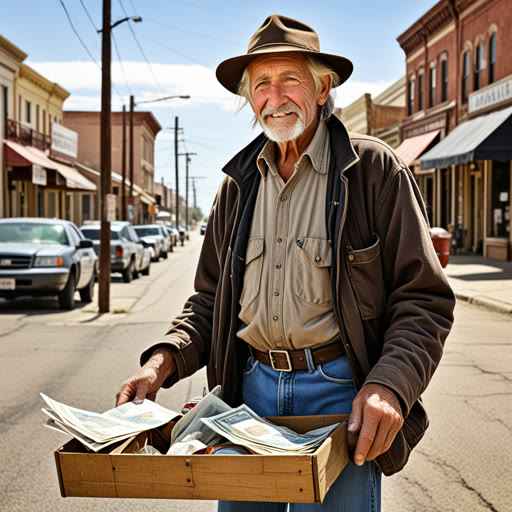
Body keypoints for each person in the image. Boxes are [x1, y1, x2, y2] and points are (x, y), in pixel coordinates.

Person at [116, 15, 455, 512]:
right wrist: (161, 361)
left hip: (342, 397)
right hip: (248, 394)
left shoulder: (373, 171)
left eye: (290, 79)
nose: (275, 97)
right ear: (250, 99)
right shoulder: (237, 186)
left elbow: (423, 298)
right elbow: (210, 300)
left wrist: (390, 384)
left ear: (322, 89)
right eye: (261, 85)